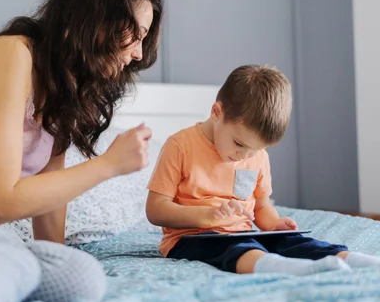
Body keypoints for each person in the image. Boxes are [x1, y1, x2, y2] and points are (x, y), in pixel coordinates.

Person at [0, 0, 162, 302]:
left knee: (80, 277)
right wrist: (108, 166)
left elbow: (48, 198)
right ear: (96, 18)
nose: (138, 54)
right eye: (136, 34)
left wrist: (52, 254)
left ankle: (6, 277)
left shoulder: (65, 89)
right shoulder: (12, 54)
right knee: (9, 262)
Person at [146, 65, 380, 276]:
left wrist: (274, 225)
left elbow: (261, 206)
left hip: (243, 233)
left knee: (292, 241)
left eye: (255, 149)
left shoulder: (256, 156)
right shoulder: (180, 145)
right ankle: (284, 269)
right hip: (191, 237)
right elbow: (156, 210)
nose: (244, 156)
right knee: (233, 248)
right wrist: (206, 215)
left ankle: (350, 260)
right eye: (239, 144)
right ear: (217, 112)